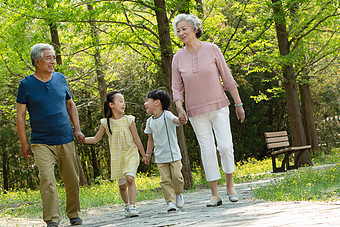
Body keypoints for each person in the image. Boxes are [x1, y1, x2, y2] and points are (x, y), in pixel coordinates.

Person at [172, 14, 246, 207]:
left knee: (225, 146)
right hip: (195, 111)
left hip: (219, 105)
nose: (181, 33)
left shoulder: (212, 49)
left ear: (194, 29)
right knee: (207, 151)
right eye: (178, 30)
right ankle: (215, 194)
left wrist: (238, 104)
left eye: (184, 29)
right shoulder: (177, 58)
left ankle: (230, 186)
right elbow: (176, 88)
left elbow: (227, 78)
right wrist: (179, 108)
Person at [16, 44, 84, 227]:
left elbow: (70, 105)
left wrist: (77, 129)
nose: (53, 61)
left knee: (72, 180)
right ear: (37, 61)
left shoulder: (61, 79)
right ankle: (52, 220)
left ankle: (74, 214)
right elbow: (20, 116)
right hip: (41, 141)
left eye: (54, 57)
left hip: (65, 137)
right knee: (47, 179)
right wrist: (24, 143)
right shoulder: (26, 85)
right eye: (48, 58)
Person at [82, 91, 147, 218]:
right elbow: (96, 139)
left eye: (124, 102)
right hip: (117, 157)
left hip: (131, 153)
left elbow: (137, 139)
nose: (124, 104)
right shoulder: (106, 123)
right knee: (122, 187)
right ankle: (127, 205)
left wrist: (144, 154)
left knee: (130, 178)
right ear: (111, 105)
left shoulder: (129, 120)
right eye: (120, 101)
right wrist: (83, 139)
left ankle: (133, 206)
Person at [144, 89, 186, 212]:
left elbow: (176, 121)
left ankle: (178, 194)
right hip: (160, 157)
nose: (145, 104)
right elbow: (150, 140)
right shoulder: (149, 121)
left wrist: (181, 119)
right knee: (165, 180)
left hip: (174, 155)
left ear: (157, 102)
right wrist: (147, 154)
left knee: (177, 177)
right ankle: (170, 202)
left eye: (147, 101)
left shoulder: (167, 115)